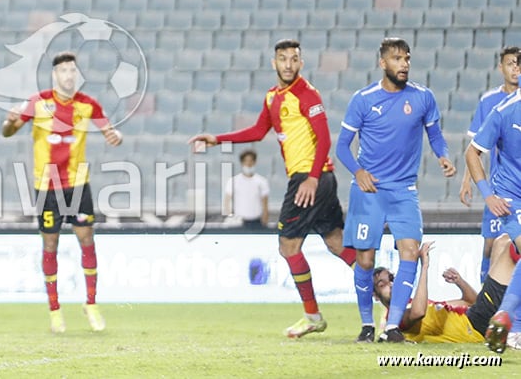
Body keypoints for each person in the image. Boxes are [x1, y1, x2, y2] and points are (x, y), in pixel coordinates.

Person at [190, 39, 356, 338]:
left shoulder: (307, 94)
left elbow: (325, 140)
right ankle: (391, 297)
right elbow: (257, 130)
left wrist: (312, 178)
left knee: (288, 246)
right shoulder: (272, 97)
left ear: (301, 63)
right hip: (316, 179)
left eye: (294, 59)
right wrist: (217, 138)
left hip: (310, 178)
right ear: (274, 63)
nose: (289, 64)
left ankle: (313, 315)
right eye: (283, 59)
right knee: (336, 243)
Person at [336, 37, 456, 344]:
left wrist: (443, 155)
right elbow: (342, 147)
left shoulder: (423, 97)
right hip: (370, 190)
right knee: (364, 259)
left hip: (404, 190)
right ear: (383, 63)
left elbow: (435, 136)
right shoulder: (363, 99)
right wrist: (359, 172)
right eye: (397, 59)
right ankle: (366, 324)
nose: (404, 64)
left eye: (407, 58)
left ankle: (391, 326)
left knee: (410, 253)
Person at [1, 51, 122, 333]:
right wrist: (8, 122)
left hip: (78, 184)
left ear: (76, 75)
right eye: (63, 70)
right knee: (50, 245)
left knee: (86, 241)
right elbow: (8, 131)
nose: (68, 75)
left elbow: (111, 131)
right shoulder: (37, 102)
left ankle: (91, 304)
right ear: (55, 75)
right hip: (46, 187)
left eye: (72, 70)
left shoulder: (88, 105)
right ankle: (54, 310)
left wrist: (117, 136)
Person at [466, 55, 521, 353]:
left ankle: (504, 317)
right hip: (512, 199)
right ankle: (510, 323)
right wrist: (487, 193)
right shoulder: (504, 110)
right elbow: (472, 152)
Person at [374, 235, 516, 344]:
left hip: (475, 316)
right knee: (510, 249)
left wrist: (459, 282)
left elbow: (471, 301)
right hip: (476, 328)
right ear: (375, 296)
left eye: (392, 279)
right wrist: (424, 266)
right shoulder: (394, 318)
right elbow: (418, 312)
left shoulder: (418, 304)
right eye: (382, 284)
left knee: (501, 241)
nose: (391, 284)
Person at [458, 46, 520, 283]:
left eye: (517, 63)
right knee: (491, 244)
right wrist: (469, 182)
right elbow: (475, 148)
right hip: (503, 188)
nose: (514, 69)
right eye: (510, 64)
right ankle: (485, 298)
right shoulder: (494, 103)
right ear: (500, 67)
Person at [223, 149, 270, 229]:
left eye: (251, 161)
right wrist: (230, 217)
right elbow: (227, 201)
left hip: (256, 221)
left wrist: (265, 221)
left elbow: (265, 204)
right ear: (242, 163)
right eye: (246, 161)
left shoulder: (262, 181)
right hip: (238, 221)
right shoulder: (233, 181)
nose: (248, 164)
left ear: (254, 162)